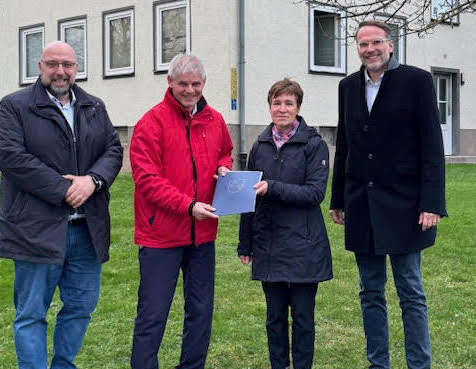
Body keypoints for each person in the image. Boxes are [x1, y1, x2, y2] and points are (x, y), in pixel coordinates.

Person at [330, 20, 447, 369]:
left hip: (406, 205)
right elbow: (346, 145)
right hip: (362, 204)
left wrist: (431, 203)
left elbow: (432, 147)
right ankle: (378, 363)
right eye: (363, 44)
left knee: (411, 292)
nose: (370, 50)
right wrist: (338, 198)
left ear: (391, 45)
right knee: (370, 293)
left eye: (376, 42)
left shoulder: (417, 82)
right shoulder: (348, 86)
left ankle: (418, 364)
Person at [0, 41, 123, 369]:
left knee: (81, 307)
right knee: (31, 314)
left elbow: (113, 149)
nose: (60, 71)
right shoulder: (14, 106)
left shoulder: (93, 105)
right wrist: (65, 189)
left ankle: (63, 365)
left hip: (87, 229)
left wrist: (92, 181)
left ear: (76, 67)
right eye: (52, 64)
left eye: (67, 64)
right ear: (39, 67)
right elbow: (12, 158)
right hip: (36, 229)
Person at [129, 53, 233, 369]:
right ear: (170, 82)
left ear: (204, 83)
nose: (190, 90)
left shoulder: (215, 120)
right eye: (183, 84)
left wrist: (224, 169)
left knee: (200, 311)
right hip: (160, 235)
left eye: (196, 84)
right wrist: (187, 206)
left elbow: (225, 153)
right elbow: (146, 178)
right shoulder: (152, 122)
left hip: (202, 235)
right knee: (153, 313)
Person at [238, 78, 332, 369]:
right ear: (269, 107)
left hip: (305, 245)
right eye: (276, 103)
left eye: (288, 103)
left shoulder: (314, 145)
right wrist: (245, 242)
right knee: (274, 318)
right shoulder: (260, 145)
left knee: (303, 319)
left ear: (298, 107)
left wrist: (273, 187)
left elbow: (315, 194)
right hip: (268, 243)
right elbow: (248, 195)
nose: (282, 108)